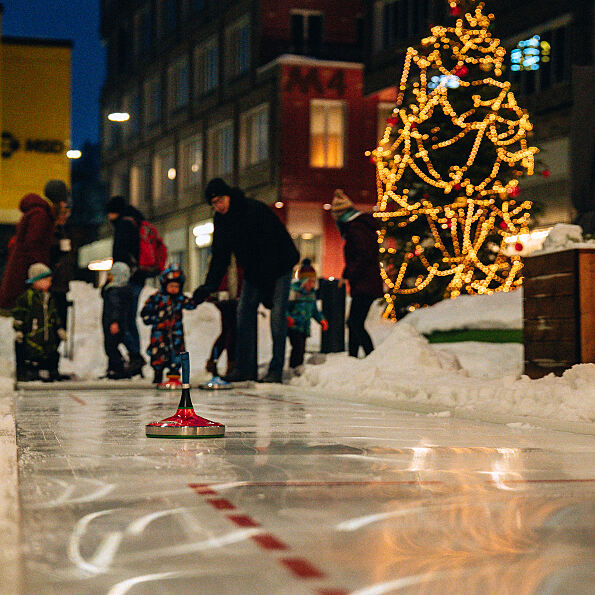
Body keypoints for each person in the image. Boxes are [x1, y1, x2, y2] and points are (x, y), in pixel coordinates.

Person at [192, 178, 299, 384]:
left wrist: (267, 288)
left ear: (229, 196)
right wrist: (208, 286)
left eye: (220, 200)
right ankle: (244, 368)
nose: (218, 206)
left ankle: (275, 370)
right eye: (214, 203)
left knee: (277, 316)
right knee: (244, 312)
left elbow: (269, 246)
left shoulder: (251, 210)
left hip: (279, 264)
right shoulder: (221, 220)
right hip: (255, 269)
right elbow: (220, 256)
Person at [0, 180, 69, 312]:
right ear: (58, 201)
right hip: (26, 276)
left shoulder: (39, 212)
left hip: (25, 272)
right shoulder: (41, 216)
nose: (64, 205)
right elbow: (34, 247)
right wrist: (40, 275)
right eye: (63, 201)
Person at [331, 189, 383, 358]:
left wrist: (349, 274)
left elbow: (362, 256)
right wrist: (348, 274)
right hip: (365, 282)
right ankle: (353, 358)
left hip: (365, 283)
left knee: (354, 322)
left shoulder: (356, 230)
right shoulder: (360, 227)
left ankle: (371, 356)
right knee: (354, 322)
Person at [105, 196, 147, 377]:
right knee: (129, 318)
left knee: (124, 319)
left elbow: (121, 254)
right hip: (138, 278)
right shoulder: (137, 222)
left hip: (126, 279)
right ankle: (135, 356)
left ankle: (135, 356)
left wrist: (114, 279)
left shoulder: (124, 225)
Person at [140, 264, 197, 385]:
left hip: (176, 334)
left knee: (176, 354)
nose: (173, 289)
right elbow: (145, 313)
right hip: (159, 333)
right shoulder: (157, 298)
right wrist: (153, 318)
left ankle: (174, 375)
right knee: (158, 354)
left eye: (176, 286)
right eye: (171, 286)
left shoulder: (180, 298)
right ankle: (158, 373)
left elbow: (191, 304)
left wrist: (199, 297)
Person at [12, 263, 66, 382]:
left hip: (48, 334)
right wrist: (19, 330)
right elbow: (19, 315)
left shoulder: (49, 298)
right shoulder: (27, 298)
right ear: (36, 281)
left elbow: (53, 314)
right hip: (33, 334)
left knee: (51, 352)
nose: (49, 283)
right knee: (33, 352)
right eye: (46, 280)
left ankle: (51, 369)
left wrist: (59, 328)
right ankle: (31, 370)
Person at [286, 259, 328, 374]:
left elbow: (314, 310)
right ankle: (293, 368)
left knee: (302, 349)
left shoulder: (312, 294)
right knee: (297, 348)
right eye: (310, 282)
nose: (312, 285)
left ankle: (298, 368)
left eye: (314, 282)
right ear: (304, 281)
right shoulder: (294, 292)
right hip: (294, 325)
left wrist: (322, 320)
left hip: (304, 326)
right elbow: (286, 307)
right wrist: (288, 317)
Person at [205, 256, 243, 378]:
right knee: (231, 331)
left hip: (231, 294)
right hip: (226, 295)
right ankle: (230, 364)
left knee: (228, 330)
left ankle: (214, 362)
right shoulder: (230, 252)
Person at [101, 262, 136, 379]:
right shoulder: (123, 290)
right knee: (112, 346)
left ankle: (118, 367)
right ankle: (114, 367)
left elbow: (115, 308)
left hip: (113, 323)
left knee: (110, 347)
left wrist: (114, 321)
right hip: (117, 323)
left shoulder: (114, 291)